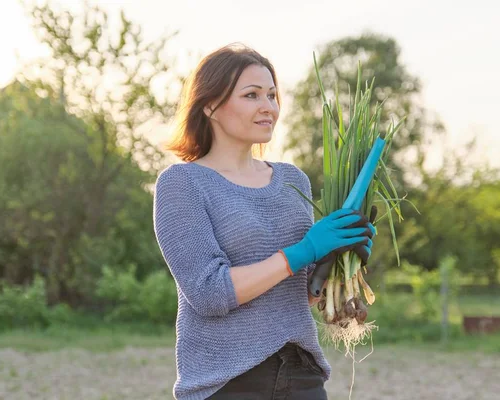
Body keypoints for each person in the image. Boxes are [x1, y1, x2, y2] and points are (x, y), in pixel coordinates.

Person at [153, 43, 376, 400]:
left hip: (302, 375)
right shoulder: (182, 184)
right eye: (252, 95)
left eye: (272, 95)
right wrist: (304, 250)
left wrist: (334, 260)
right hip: (227, 382)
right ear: (210, 105)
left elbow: (292, 295)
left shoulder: (292, 181)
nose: (268, 107)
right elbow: (210, 293)